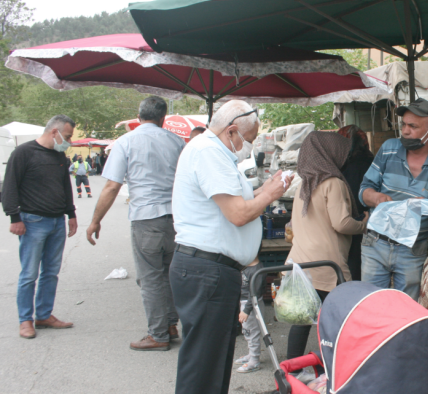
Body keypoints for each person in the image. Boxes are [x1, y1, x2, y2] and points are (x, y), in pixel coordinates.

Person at [170, 100, 291, 394]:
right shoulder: (209, 152)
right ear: (232, 130)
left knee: (212, 361)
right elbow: (238, 214)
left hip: (211, 269)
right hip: (206, 270)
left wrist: (266, 189)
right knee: (203, 364)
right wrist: (270, 194)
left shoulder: (214, 153)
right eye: (248, 140)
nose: (248, 146)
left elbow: (237, 200)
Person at [86, 96, 186, 352]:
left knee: (151, 278)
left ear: (138, 116)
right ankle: (170, 325)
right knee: (169, 275)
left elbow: (111, 185)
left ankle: (158, 335)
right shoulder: (177, 142)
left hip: (146, 219)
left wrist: (96, 220)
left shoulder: (126, 141)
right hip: (176, 220)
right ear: (163, 118)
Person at [286, 131, 369, 381]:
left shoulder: (304, 183)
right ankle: (327, 373)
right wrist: (365, 222)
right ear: (330, 153)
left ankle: (292, 371)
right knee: (332, 321)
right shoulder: (332, 182)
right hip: (327, 264)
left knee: (301, 320)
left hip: (301, 262)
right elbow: (342, 223)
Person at [359, 98, 428, 300]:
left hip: (413, 250)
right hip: (376, 243)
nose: (405, 131)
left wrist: (423, 207)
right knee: (372, 305)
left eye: (413, 126)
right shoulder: (388, 149)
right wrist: (376, 197)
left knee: (405, 309)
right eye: (403, 124)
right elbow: (364, 190)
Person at [2, 115, 78, 339]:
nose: (69, 141)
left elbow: (65, 186)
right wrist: (14, 217)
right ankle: (25, 320)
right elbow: (9, 187)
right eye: (67, 136)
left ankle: (44, 314)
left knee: (51, 272)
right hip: (32, 222)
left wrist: (71, 214)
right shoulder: (23, 153)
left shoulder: (60, 156)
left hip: (57, 222)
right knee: (29, 273)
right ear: (54, 132)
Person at [336, 125, 375, 281]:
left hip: (352, 222)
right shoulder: (373, 162)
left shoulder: (342, 166)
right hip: (372, 221)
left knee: (352, 266)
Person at [234, 257, 267, 374]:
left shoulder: (257, 270)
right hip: (244, 303)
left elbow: (255, 293)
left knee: (252, 332)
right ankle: (251, 354)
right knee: (247, 330)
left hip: (252, 305)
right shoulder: (245, 265)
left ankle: (254, 359)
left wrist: (246, 310)